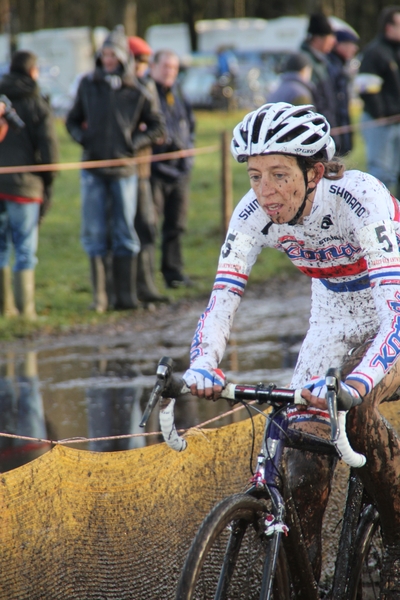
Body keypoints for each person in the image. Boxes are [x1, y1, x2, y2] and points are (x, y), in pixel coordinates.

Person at [183, 103, 400, 595]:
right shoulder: (253, 212)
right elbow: (222, 297)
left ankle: (397, 542)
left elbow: (395, 311)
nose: (265, 191)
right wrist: (203, 361)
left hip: (392, 310)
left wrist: (360, 382)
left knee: (357, 410)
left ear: (314, 172)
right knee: (301, 461)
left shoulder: (360, 197)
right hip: (331, 319)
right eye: (255, 176)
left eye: (279, 175)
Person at [66, 27, 165, 312]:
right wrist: (85, 140)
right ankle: (100, 298)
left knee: (125, 232)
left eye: (113, 54)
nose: (108, 59)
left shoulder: (138, 88)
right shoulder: (88, 84)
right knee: (95, 232)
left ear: (123, 57)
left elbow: (158, 126)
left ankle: (126, 297)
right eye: (104, 54)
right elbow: (72, 121)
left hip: (125, 170)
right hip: (93, 170)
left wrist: (134, 143)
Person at [0, 51, 58, 320]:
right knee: (24, 249)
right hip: (25, 188)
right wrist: (47, 181)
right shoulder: (37, 103)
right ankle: (27, 312)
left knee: (1, 247)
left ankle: (6, 310)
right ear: (33, 72)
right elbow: (49, 153)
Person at [150, 49, 196, 289]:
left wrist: (189, 152)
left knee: (177, 225)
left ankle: (174, 273)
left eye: (174, 68)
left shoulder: (178, 92)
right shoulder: (147, 92)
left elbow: (190, 124)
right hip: (155, 171)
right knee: (151, 225)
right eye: (166, 66)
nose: (170, 72)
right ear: (153, 67)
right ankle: (148, 279)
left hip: (180, 171)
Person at [128, 36, 169, 304]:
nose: (142, 67)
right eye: (139, 61)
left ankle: (147, 285)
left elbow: (159, 129)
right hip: (119, 169)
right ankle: (127, 288)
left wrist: (141, 137)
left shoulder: (147, 87)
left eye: (145, 62)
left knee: (147, 225)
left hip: (143, 169)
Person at [358, 6, 400, 195]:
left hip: (396, 122)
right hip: (381, 123)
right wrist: (381, 114)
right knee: (382, 174)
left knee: (394, 173)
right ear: (388, 27)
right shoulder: (375, 52)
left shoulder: (395, 51)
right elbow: (365, 87)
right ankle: (378, 218)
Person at [300, 13, 337, 128]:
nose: (333, 42)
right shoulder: (305, 61)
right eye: (329, 38)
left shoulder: (322, 60)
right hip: (316, 126)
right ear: (317, 39)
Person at [327, 27, 360, 155]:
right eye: (351, 44)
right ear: (339, 45)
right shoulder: (331, 67)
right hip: (334, 132)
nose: (354, 49)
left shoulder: (339, 66)